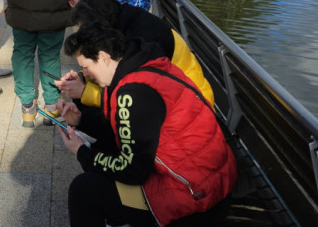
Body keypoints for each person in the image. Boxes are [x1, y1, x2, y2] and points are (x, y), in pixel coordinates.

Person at [56, 23, 236, 227]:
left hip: (195, 193)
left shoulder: (132, 93)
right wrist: (81, 121)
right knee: (102, 155)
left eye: (86, 67)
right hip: (213, 177)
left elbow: (133, 170)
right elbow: (125, 132)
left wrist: (81, 151)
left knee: (83, 190)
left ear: (104, 57)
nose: (86, 74)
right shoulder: (146, 64)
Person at [69, 0, 214, 107]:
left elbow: (129, 100)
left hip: (193, 107)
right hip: (186, 98)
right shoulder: (127, 20)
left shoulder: (140, 45)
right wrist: (84, 77)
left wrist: (84, 92)